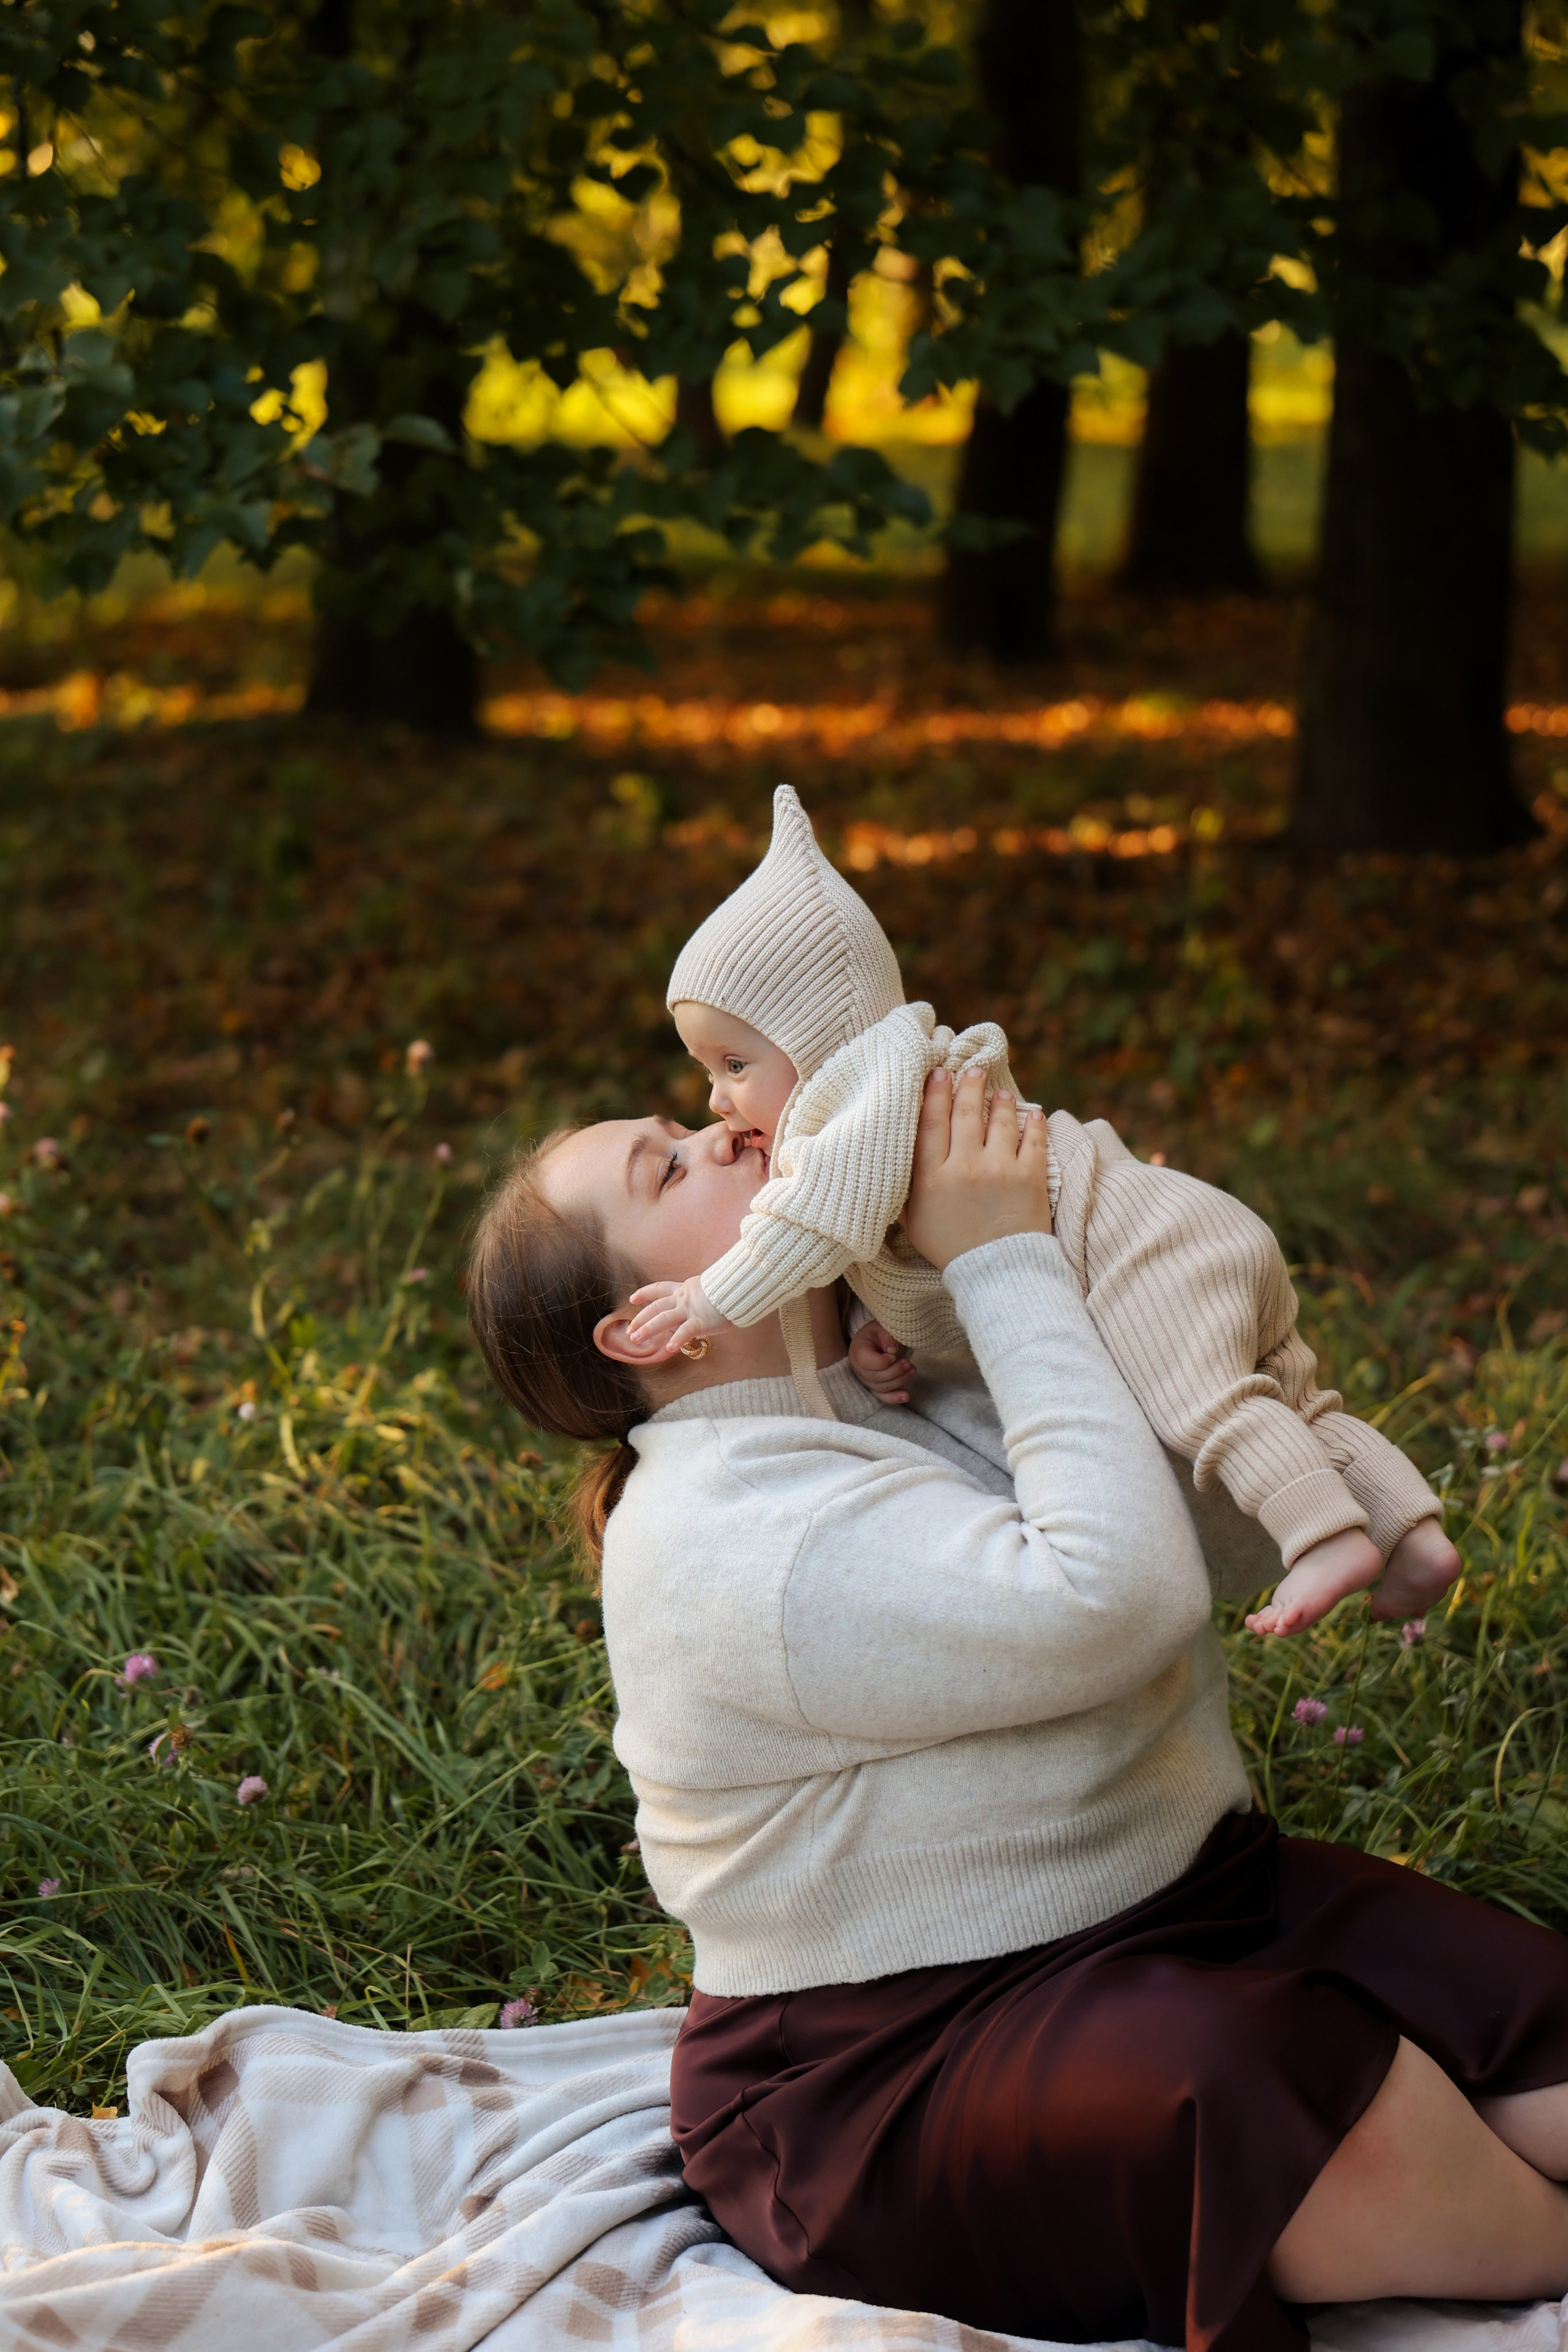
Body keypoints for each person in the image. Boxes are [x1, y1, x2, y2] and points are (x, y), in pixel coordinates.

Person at [468, 1069, 1568, 2352]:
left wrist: (1008, 1253)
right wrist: (1002, 1259)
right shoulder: (730, 1546)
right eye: (669, 1168)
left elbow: (1211, 1540)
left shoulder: (900, 1375)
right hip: (886, 2065)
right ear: (659, 1329)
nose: (722, 1130)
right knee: (1239, 2071)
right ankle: (1527, 2238)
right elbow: (1122, 1601)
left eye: (690, 1123)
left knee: (1504, 2002)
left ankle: (1431, 2156)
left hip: (1182, 1899)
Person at [628, 783, 1458, 1638]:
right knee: (1295, 1399)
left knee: (1203, 1401)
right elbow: (888, 1234)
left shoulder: (860, 1084)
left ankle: (1321, 1537)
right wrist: (878, 1323)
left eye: (733, 1063)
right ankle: (1412, 1532)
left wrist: (706, 1300)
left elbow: (810, 1220)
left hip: (1136, 1245)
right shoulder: (873, 1105)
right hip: (1164, 1223)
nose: (717, 1098)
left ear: (815, 1033)